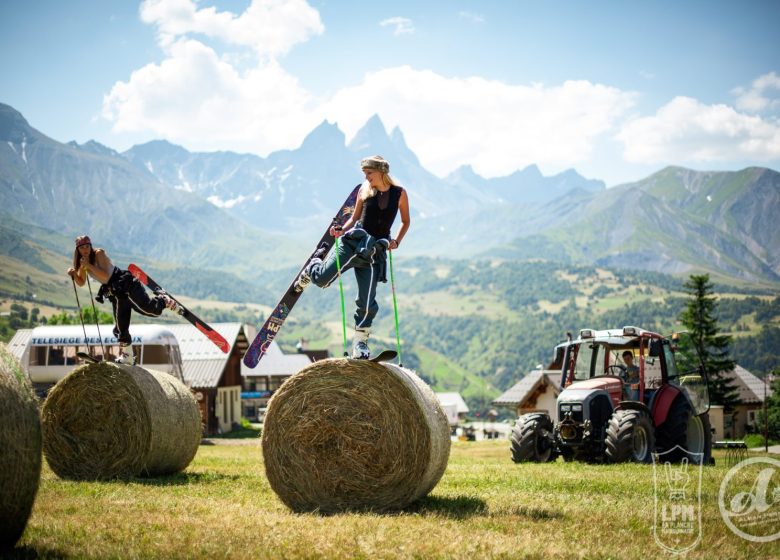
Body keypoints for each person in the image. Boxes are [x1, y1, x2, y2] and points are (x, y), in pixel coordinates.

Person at [295, 155, 410, 359]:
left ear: (381, 172)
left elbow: (405, 221)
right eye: (365, 173)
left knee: (367, 302)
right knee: (322, 280)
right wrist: (341, 229)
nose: (366, 177)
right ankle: (313, 266)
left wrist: (397, 241)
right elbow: (354, 218)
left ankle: (360, 344)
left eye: (369, 173)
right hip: (353, 243)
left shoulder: (400, 194)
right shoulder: (364, 190)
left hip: (375, 252)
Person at [66, 235, 177, 365]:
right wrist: (74, 273)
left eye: (87, 246)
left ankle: (163, 300)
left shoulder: (98, 254)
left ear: (91, 246)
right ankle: (128, 356)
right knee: (120, 327)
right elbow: (81, 282)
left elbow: (105, 275)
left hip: (125, 284)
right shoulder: (84, 263)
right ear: (77, 250)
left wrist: (88, 265)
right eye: (82, 248)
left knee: (149, 310)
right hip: (116, 293)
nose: (85, 250)